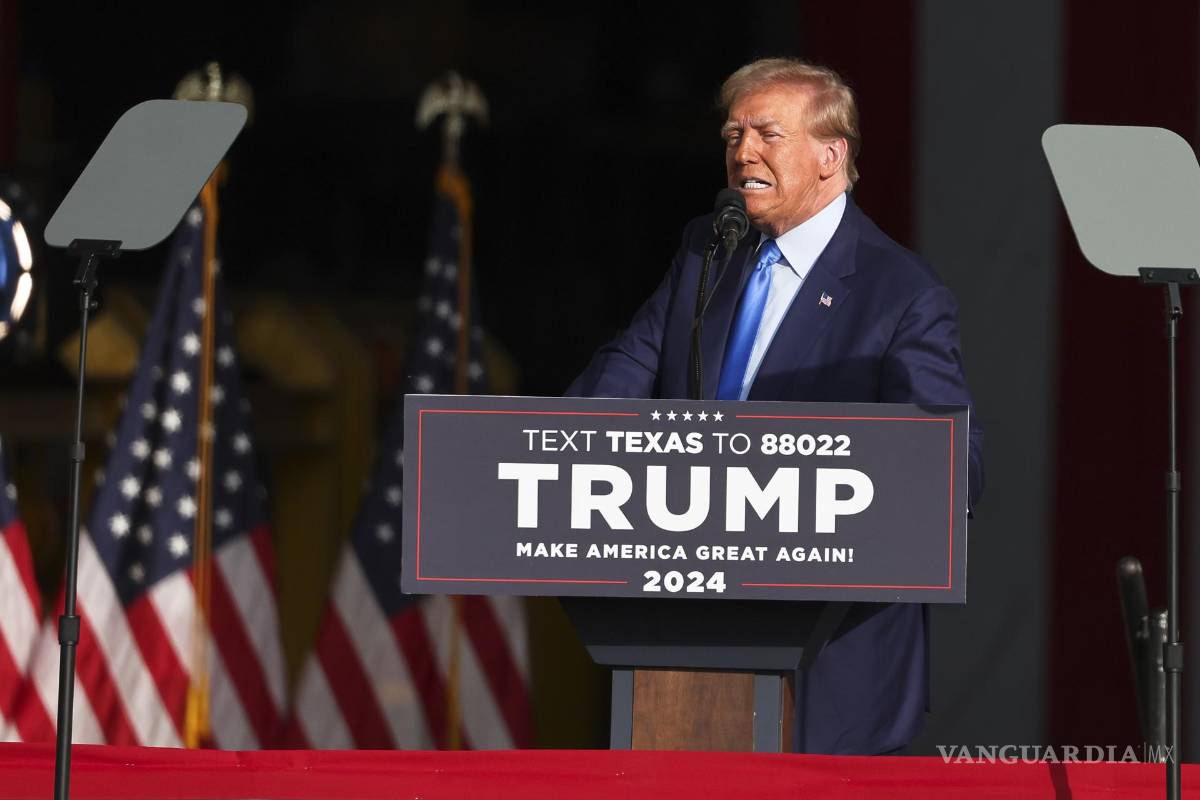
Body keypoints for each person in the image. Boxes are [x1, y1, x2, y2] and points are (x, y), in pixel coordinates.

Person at [568, 58, 984, 754]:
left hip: (833, 665)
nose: (742, 152)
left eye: (767, 133)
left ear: (831, 155)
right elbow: (621, 375)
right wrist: (548, 448)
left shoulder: (901, 292)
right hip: (689, 657)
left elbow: (951, 467)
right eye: (733, 134)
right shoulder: (708, 250)